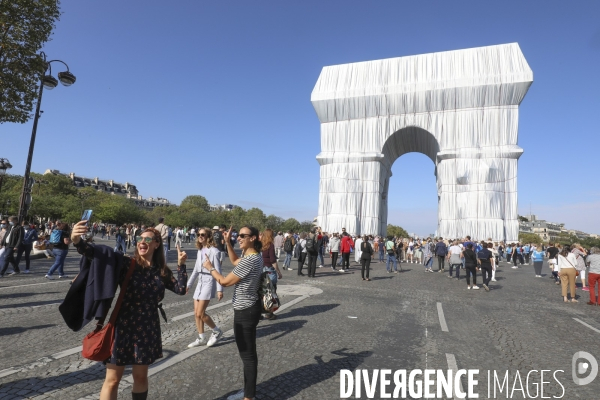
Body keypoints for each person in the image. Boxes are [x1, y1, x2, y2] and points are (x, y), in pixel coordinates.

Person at [67, 221, 187, 400]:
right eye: (140, 238)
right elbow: (95, 254)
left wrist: (181, 265)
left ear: (157, 243)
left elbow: (181, 289)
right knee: (113, 380)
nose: (142, 241)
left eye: (148, 239)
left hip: (147, 328)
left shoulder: (161, 271)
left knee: (140, 377)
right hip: (122, 326)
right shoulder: (126, 263)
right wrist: (76, 240)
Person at [205, 226, 263, 400]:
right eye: (238, 235)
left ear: (253, 238)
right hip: (250, 306)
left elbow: (224, 281)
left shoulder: (250, 261)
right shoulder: (254, 256)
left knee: (248, 356)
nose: (239, 238)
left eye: (243, 236)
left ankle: (249, 397)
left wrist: (210, 267)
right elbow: (235, 261)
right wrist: (228, 242)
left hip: (246, 310)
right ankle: (248, 393)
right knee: (248, 354)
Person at [187, 227, 223, 348]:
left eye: (203, 234)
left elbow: (218, 271)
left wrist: (219, 289)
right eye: (198, 234)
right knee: (196, 313)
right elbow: (196, 270)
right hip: (200, 281)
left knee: (201, 313)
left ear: (208, 236)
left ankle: (216, 331)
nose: (200, 236)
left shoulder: (214, 251)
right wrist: (189, 284)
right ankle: (201, 337)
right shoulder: (200, 250)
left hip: (209, 281)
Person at [260, 228, 282, 319]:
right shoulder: (270, 245)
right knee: (271, 292)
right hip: (269, 269)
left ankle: (260, 312)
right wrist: (279, 272)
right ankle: (269, 313)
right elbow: (273, 260)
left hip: (261, 269)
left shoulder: (260, 245)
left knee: (262, 292)